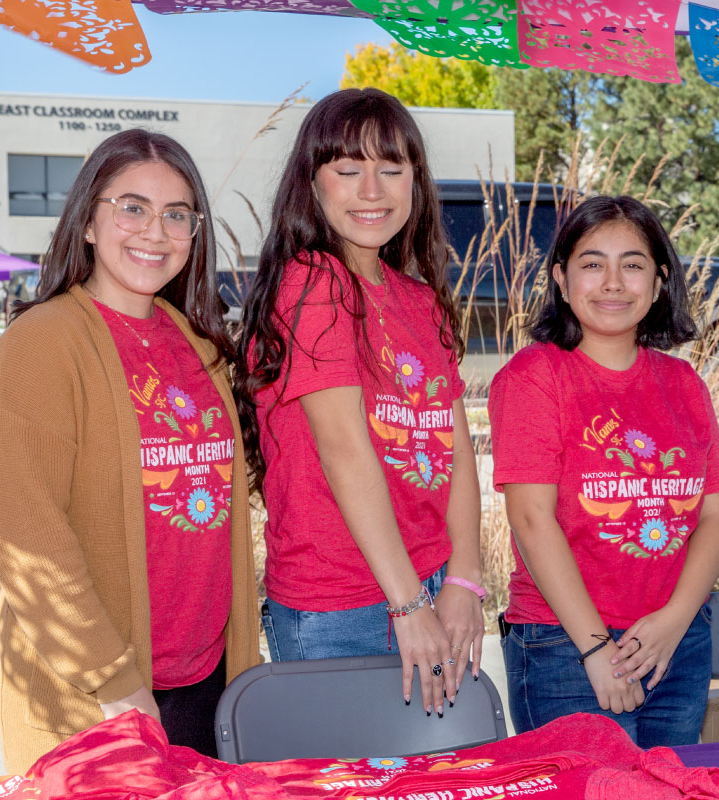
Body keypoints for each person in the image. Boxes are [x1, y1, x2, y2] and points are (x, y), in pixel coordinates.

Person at [0, 129, 259, 772]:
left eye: (176, 214)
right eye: (131, 207)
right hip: (101, 696)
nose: (154, 232)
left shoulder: (199, 344)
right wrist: (115, 684)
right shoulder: (43, 344)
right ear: (87, 223)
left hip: (208, 681)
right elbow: (30, 538)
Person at [236, 88, 484, 716]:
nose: (372, 189)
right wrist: (407, 605)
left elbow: (456, 452)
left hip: (430, 588)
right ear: (311, 183)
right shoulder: (314, 282)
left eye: (392, 169)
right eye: (348, 170)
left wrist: (463, 582)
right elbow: (345, 450)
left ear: (416, 182)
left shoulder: (420, 300)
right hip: (341, 602)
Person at [488, 195, 719, 747]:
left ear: (659, 279)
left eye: (634, 264)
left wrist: (675, 621)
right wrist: (597, 650)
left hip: (675, 642)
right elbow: (531, 520)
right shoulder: (534, 377)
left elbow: (716, 518)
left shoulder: (684, 385)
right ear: (561, 276)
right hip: (565, 648)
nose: (613, 282)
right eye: (593, 263)